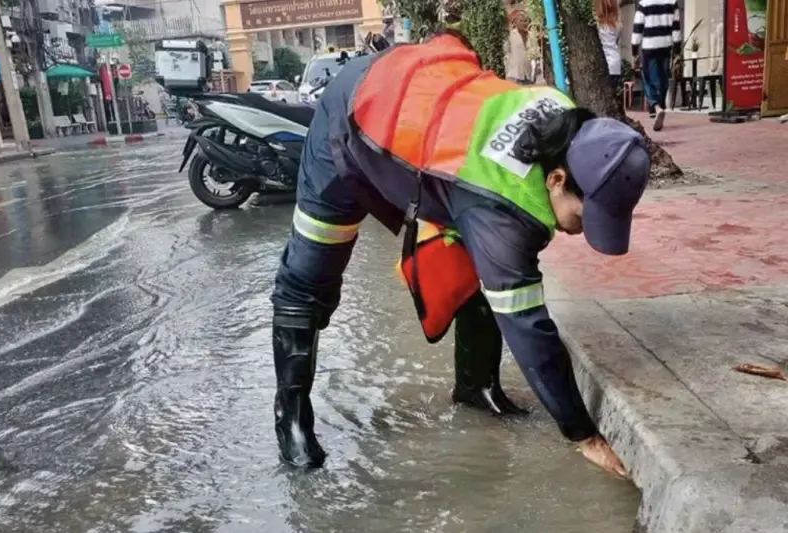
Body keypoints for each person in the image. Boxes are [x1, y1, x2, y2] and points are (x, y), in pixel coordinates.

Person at [270, 30, 649, 477]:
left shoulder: (569, 125)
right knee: (311, 271)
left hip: (433, 128)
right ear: (556, 180)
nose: (580, 232)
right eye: (584, 219)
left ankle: (475, 386)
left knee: (474, 262)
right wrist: (582, 433)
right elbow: (529, 326)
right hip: (354, 116)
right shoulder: (502, 204)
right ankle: (291, 418)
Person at [631, 0, 682, 130]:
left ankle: (656, 107)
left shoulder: (644, 4)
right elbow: (676, 28)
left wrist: (634, 52)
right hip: (666, 46)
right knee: (663, 79)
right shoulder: (672, 2)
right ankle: (659, 108)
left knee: (648, 78)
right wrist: (677, 52)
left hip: (649, 47)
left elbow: (637, 29)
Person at [595, 0, 622, 101]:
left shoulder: (596, 23)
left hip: (602, 62)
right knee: (612, 96)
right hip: (615, 61)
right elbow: (617, 38)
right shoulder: (617, 23)